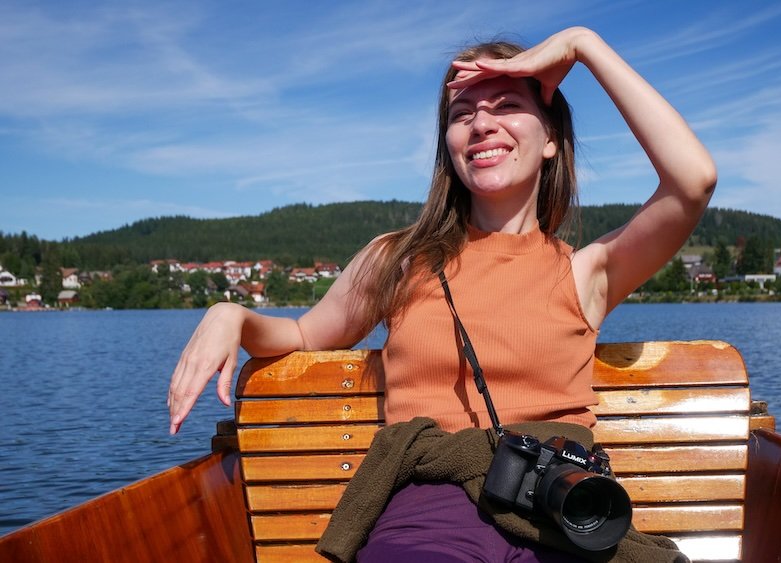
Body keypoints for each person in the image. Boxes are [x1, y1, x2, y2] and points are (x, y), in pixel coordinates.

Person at [168, 27, 715, 562]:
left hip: (556, 505)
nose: (481, 124)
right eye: (461, 114)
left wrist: (582, 45)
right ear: (447, 146)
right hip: (431, 506)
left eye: (504, 104)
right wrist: (231, 315)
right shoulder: (400, 259)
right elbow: (306, 334)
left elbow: (692, 180)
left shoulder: (586, 271)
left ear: (550, 138)